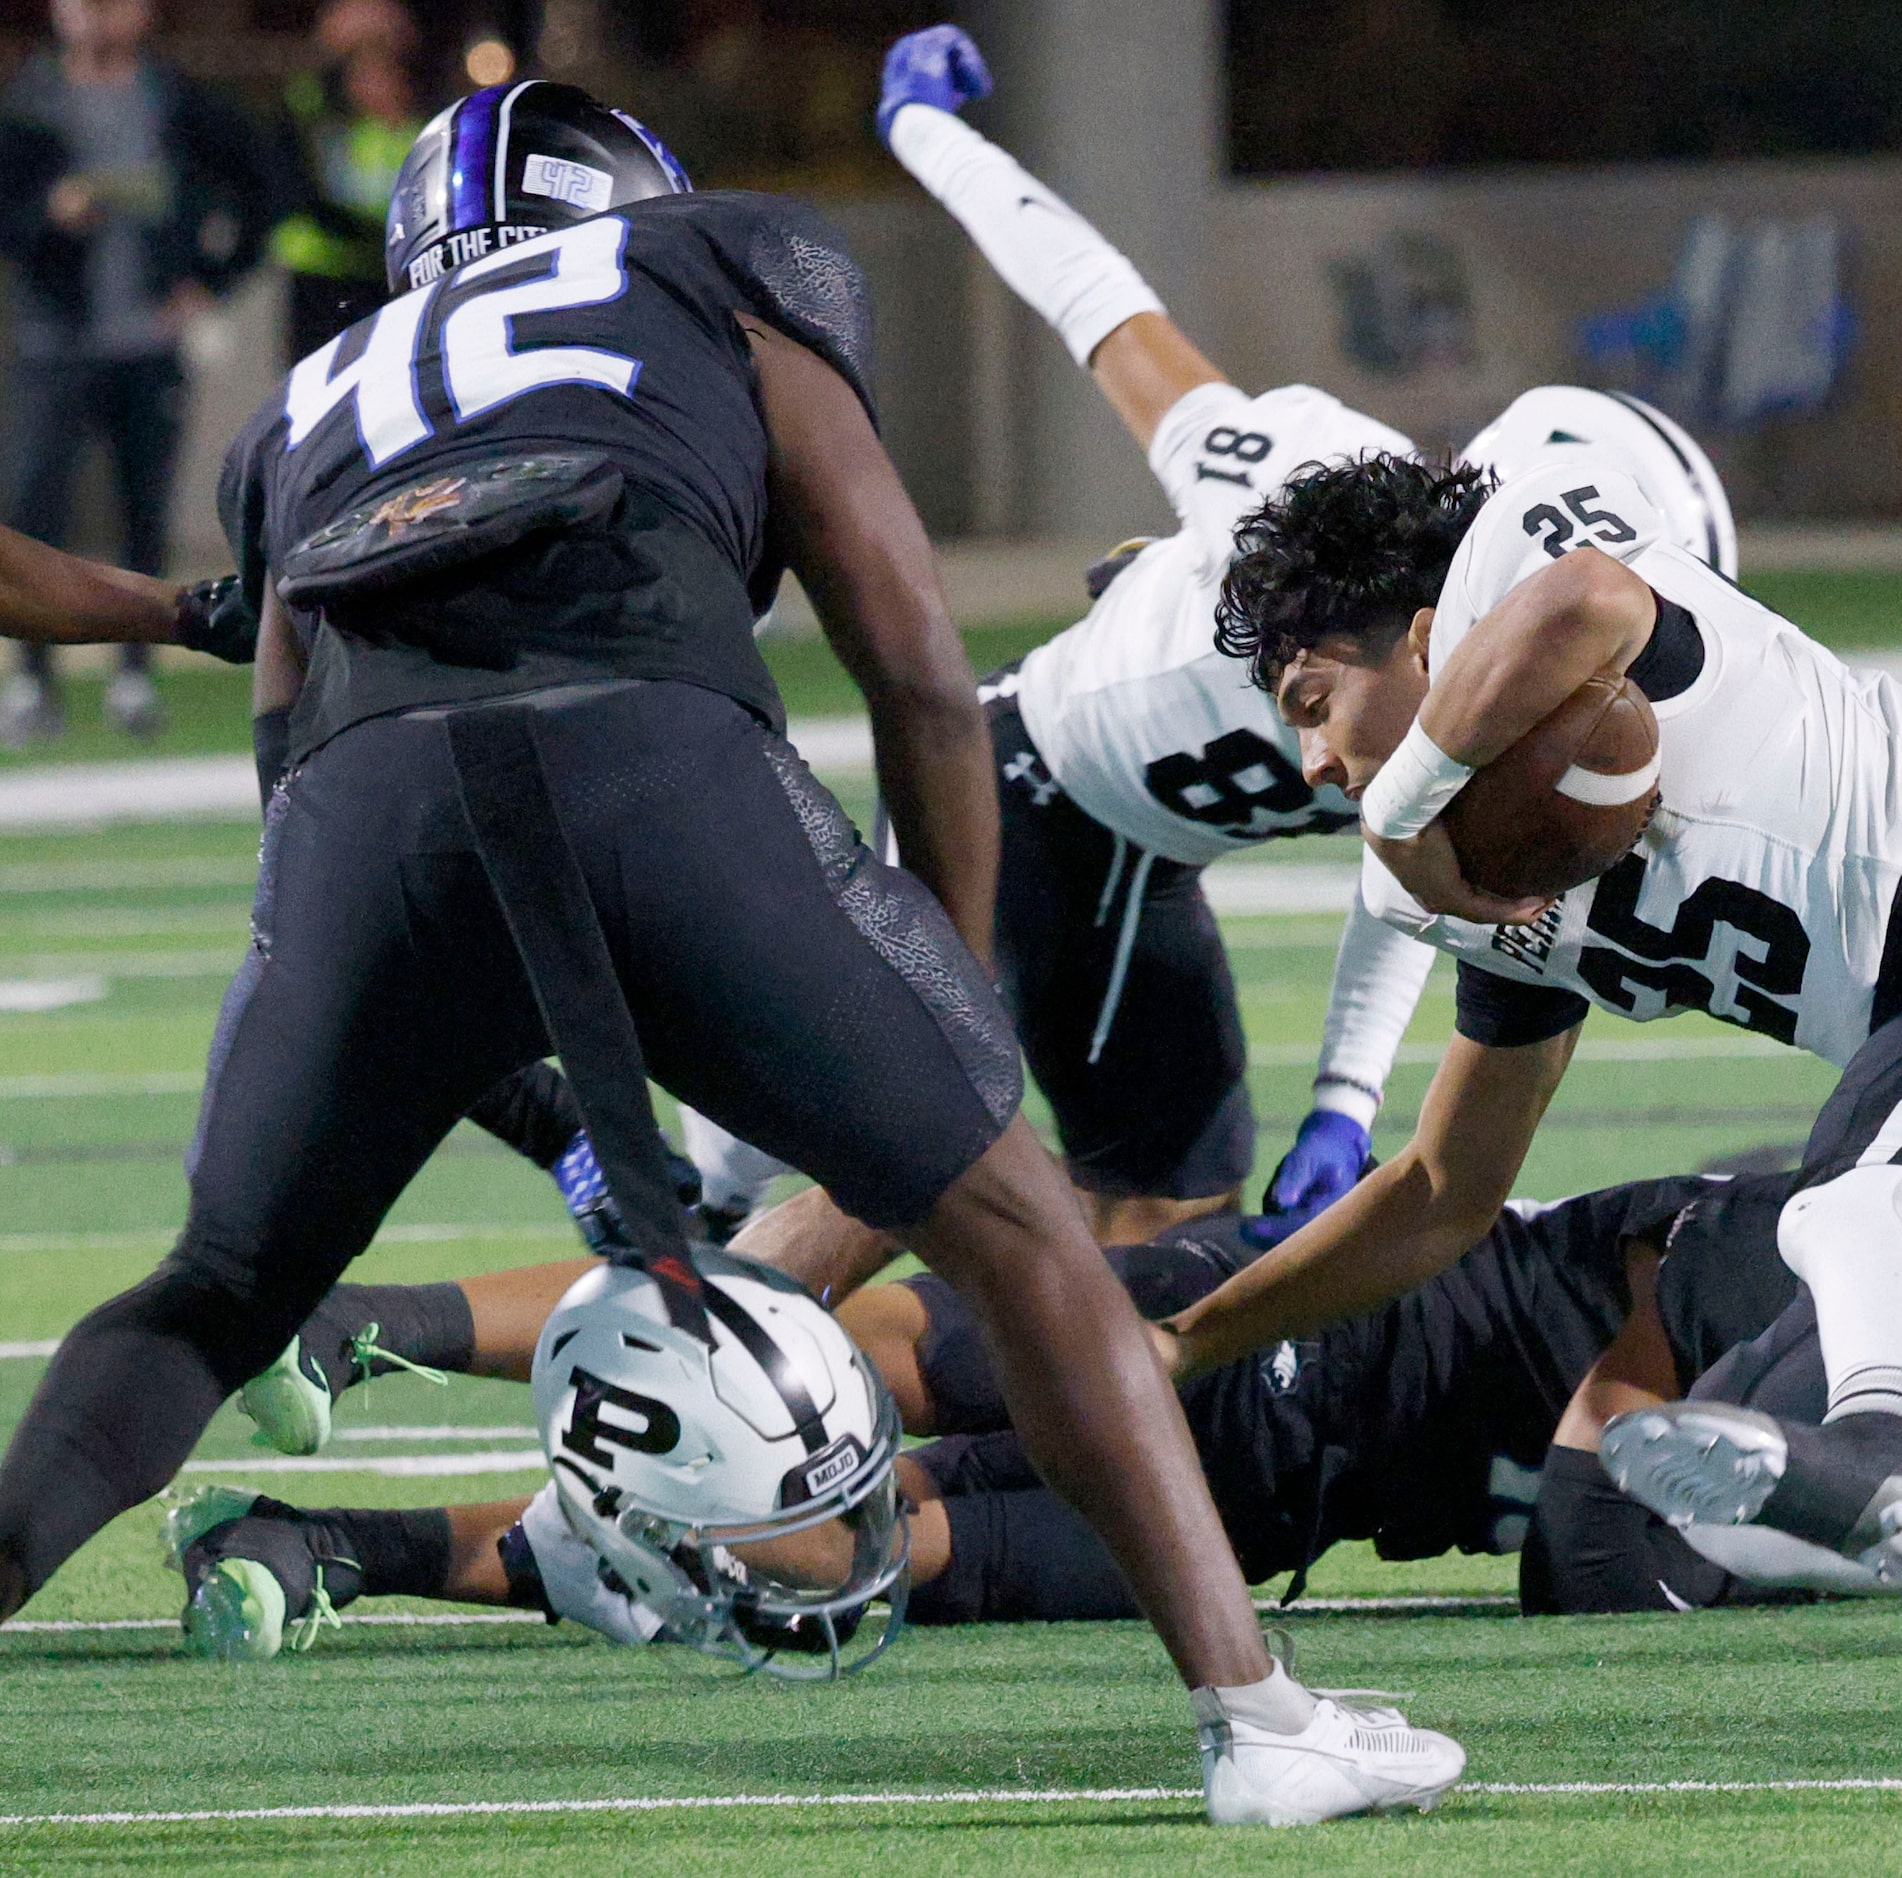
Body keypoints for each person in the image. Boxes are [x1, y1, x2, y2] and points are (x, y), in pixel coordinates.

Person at [0, 82, 1459, 1826]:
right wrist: (950, 969)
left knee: (213, 1288)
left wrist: (537, 1094)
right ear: (629, 200)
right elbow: (913, 652)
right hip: (653, 752)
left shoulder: (314, 400)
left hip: (361, 820)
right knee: (1010, 1217)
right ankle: (1257, 1719)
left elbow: (298, 796)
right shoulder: (718, 265)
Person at [1157, 429, 1902, 1676]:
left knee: (1851, 1195)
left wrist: (1405, 804)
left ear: (1421, 642)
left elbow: (1591, 602)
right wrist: (1191, 1340)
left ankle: (1880, 1431)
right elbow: (1441, 1194)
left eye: (1315, 704)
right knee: (1629, 1533)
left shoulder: (1514, 564)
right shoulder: (1482, 876)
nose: (1312, 762)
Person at [684, 26, 1742, 1248]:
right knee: (928, 1162)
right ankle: (709, 1237)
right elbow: (1099, 307)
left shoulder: (1478, 650)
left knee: (1165, 1228)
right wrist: (926, 130)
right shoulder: (1300, 488)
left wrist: (1345, 1103)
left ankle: (771, 1257)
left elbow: (1409, 846)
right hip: (1012, 783)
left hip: (1140, 854)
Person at [183, 1166, 1902, 1705]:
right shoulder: (1801, 1236)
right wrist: (1680, 1469)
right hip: (1269, 1338)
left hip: (1272, 1516)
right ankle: (360, 1322)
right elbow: (1625, 1446)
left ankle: (327, 1545)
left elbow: (1620, 1544)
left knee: (835, 1552)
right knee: (841, 1349)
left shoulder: (1875, 1410)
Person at [0, 0, 272, 744]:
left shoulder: (175, 98)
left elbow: (266, 185)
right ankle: (31, 682)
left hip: (145, 341)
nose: (92, 14)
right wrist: (45, 217)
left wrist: (208, 282)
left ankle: (135, 675)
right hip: (53, 339)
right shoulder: (28, 100)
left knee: (142, 509)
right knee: (31, 507)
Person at [271, 0, 425, 361]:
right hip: (321, 275)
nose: (375, 85)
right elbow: (310, 190)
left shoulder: (409, 130)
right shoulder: (320, 118)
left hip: (384, 278)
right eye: (364, 72)